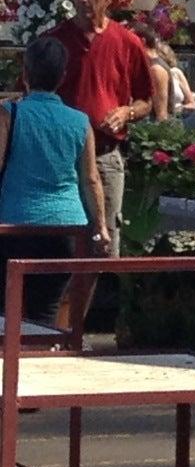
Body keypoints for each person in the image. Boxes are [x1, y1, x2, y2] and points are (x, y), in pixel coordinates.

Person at [0, 37, 112, 324]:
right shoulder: (80, 121)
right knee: (45, 312)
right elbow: (91, 178)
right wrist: (100, 226)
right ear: (63, 77)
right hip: (66, 229)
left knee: (5, 309)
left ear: (25, 74)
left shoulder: (10, 115)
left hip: (14, 226)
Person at [51, 0, 151, 257]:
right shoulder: (54, 41)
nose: (82, 0)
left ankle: (91, 303)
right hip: (62, 158)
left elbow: (147, 100)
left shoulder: (127, 42)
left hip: (106, 156)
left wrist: (126, 113)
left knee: (103, 245)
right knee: (60, 245)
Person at [139, 27, 195, 121]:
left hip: (171, 119)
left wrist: (179, 109)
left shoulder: (163, 70)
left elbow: (161, 115)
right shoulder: (147, 69)